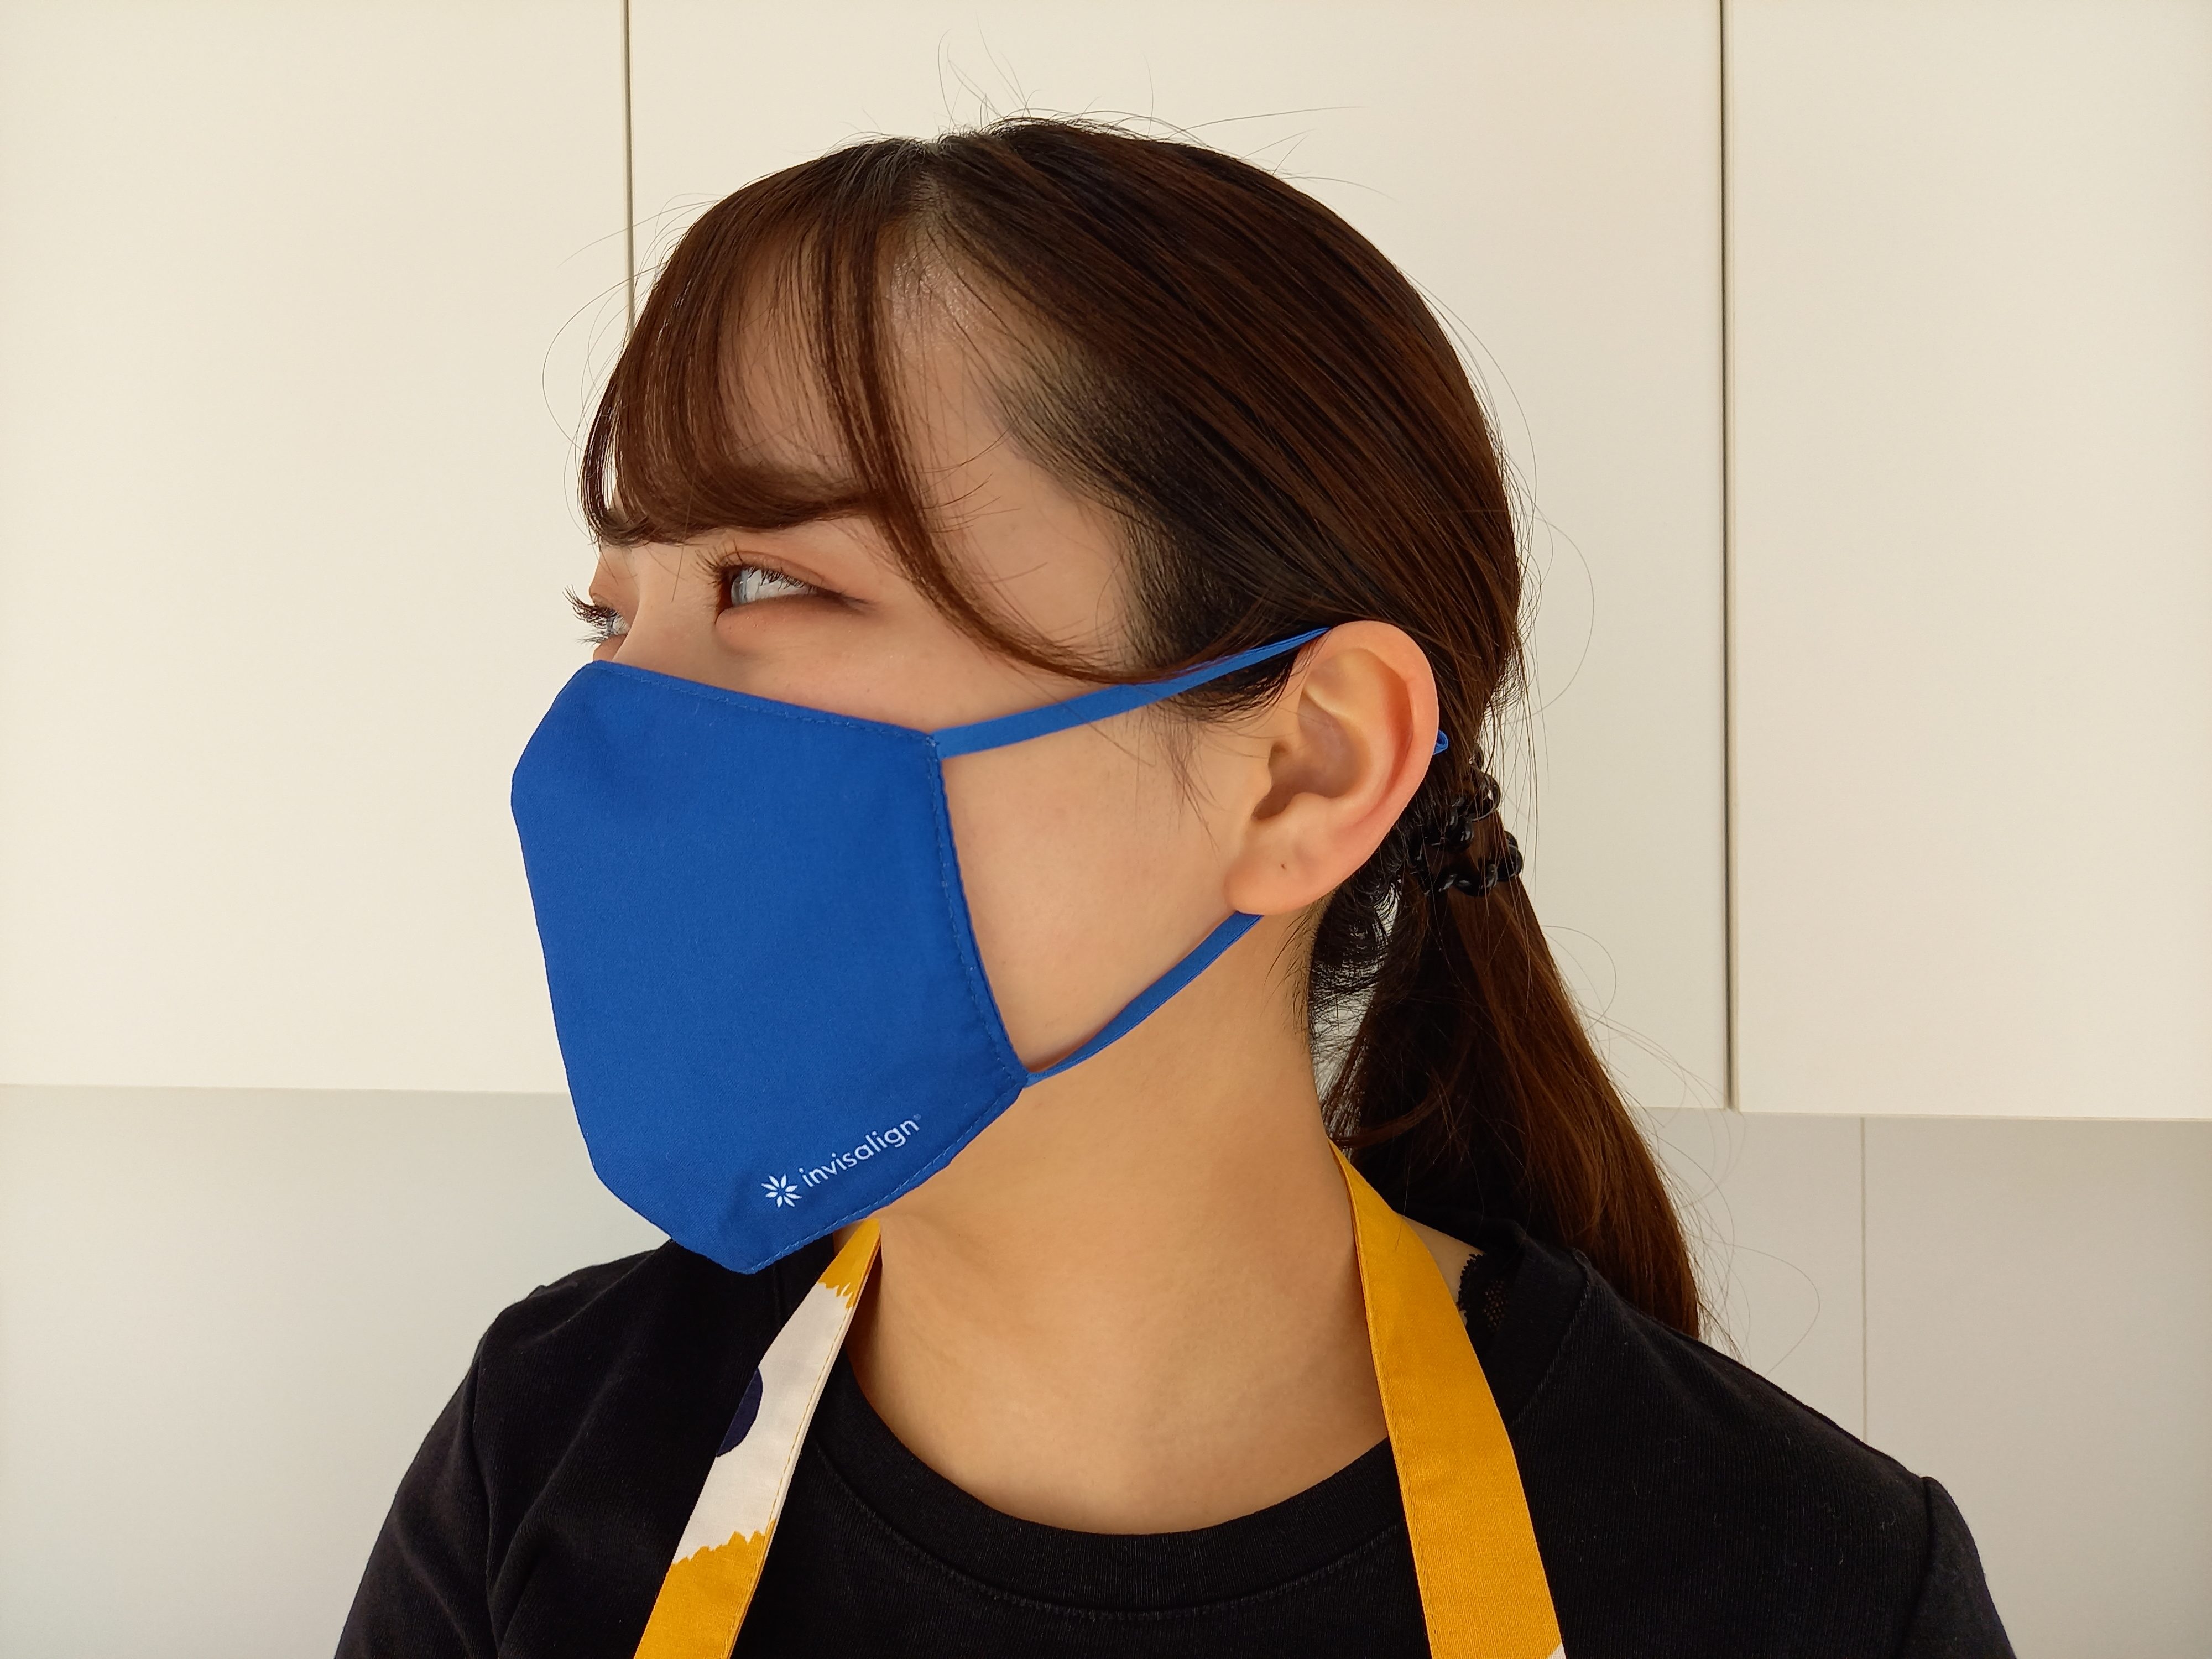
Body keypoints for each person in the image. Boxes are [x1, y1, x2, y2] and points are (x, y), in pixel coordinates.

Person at [338, 118, 2011, 1658]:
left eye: (772, 581)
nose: (614, 731)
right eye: (609, 614)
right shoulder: (546, 1458)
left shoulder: (1815, 1594)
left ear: (1307, 767)